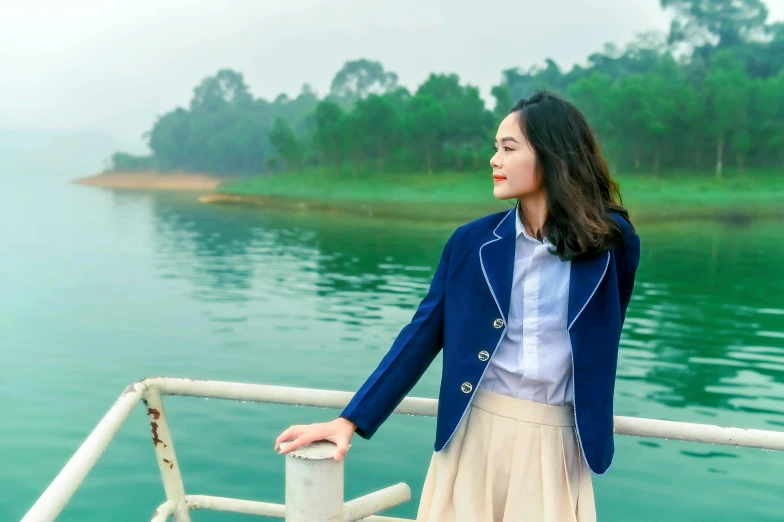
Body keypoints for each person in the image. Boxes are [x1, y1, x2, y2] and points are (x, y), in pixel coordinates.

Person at [274, 90, 641, 522]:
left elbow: (603, 332)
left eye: (508, 148)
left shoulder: (612, 242)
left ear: (553, 155)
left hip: (558, 441)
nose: (494, 160)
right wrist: (349, 420)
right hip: (473, 432)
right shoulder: (471, 243)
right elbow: (422, 334)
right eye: (495, 149)